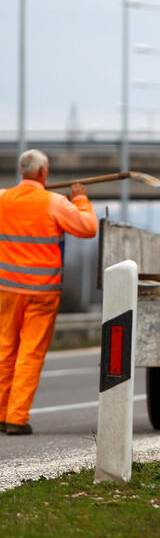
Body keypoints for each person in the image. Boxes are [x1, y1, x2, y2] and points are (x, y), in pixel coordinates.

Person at [0, 149, 98, 435]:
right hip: (42, 292)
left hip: (7, 290)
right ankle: (16, 419)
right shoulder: (55, 203)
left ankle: (2, 412)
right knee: (29, 354)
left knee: (5, 350)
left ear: (22, 172)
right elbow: (88, 228)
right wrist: (80, 199)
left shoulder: (3, 199)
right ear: (43, 173)